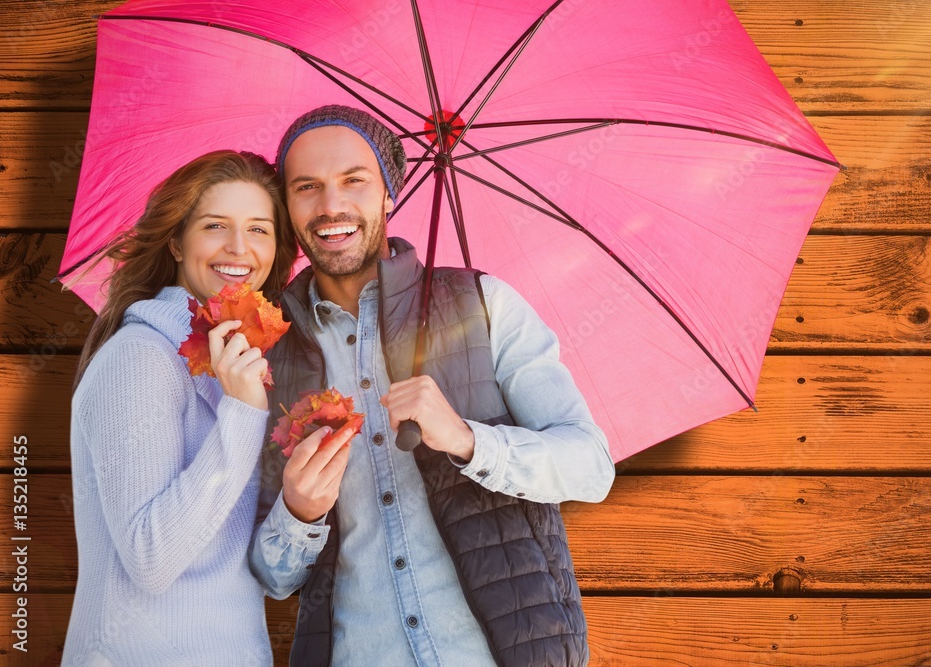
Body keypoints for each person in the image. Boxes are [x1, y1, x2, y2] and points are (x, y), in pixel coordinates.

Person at [249, 105, 616, 666]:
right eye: (307, 188)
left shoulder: (485, 305)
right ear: (288, 207)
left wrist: (470, 440)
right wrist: (298, 513)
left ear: (389, 193)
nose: (331, 206)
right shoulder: (268, 357)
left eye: (354, 180)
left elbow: (591, 468)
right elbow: (274, 581)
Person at [63, 150, 313, 665]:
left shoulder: (238, 368)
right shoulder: (140, 358)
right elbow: (152, 558)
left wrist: (301, 504)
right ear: (176, 241)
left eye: (259, 229)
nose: (239, 248)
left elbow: (231, 553)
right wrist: (243, 416)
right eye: (215, 225)